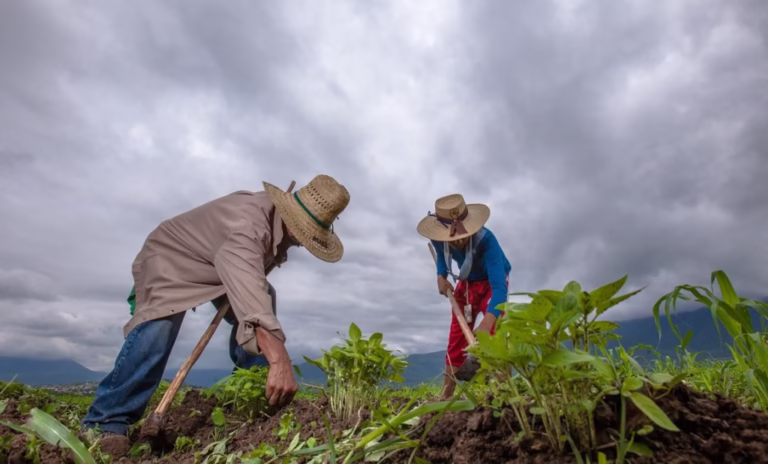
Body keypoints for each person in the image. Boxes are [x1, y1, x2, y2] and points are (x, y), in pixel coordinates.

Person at [81, 174, 350, 453]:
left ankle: (250, 402)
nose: (304, 243)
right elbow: (252, 299)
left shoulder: (274, 226)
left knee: (264, 300)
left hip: (215, 263)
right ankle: (106, 421)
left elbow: (253, 292)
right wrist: (280, 359)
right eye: (304, 234)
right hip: (170, 257)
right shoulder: (249, 227)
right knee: (160, 325)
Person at [416, 194, 510, 400]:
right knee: (456, 335)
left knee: (495, 330)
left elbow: (499, 289)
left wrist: (487, 321)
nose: (458, 241)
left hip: (491, 282)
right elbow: (442, 257)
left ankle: (505, 394)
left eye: (462, 235)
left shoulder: (487, 241)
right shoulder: (438, 238)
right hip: (467, 283)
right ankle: (446, 395)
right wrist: (441, 276)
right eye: (452, 238)